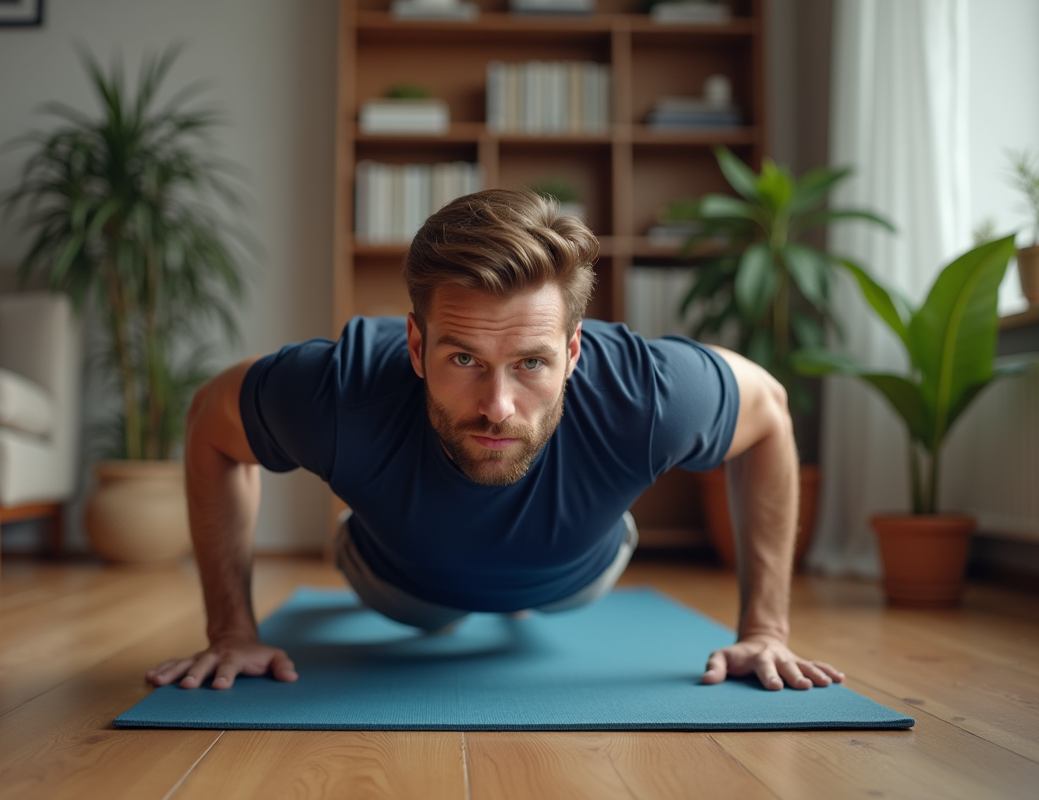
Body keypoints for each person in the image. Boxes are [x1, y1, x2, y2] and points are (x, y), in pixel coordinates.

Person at [146, 189, 843, 693]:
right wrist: (230, 631)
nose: (498, 406)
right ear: (415, 345)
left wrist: (766, 631)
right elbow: (211, 421)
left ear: (575, 352)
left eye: (532, 363)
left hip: (581, 573)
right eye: (463, 360)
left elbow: (770, 414)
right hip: (396, 581)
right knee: (400, 580)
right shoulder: (338, 391)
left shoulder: (648, 393)